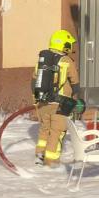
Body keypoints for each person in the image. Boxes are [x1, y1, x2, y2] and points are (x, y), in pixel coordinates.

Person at [32, 29, 81, 168]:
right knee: (56, 132)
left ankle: (39, 155)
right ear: (64, 45)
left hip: (42, 103)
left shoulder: (42, 61)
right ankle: (51, 160)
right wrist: (75, 95)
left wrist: (37, 100)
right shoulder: (66, 61)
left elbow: (34, 80)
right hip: (60, 104)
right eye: (69, 44)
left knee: (44, 129)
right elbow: (75, 82)